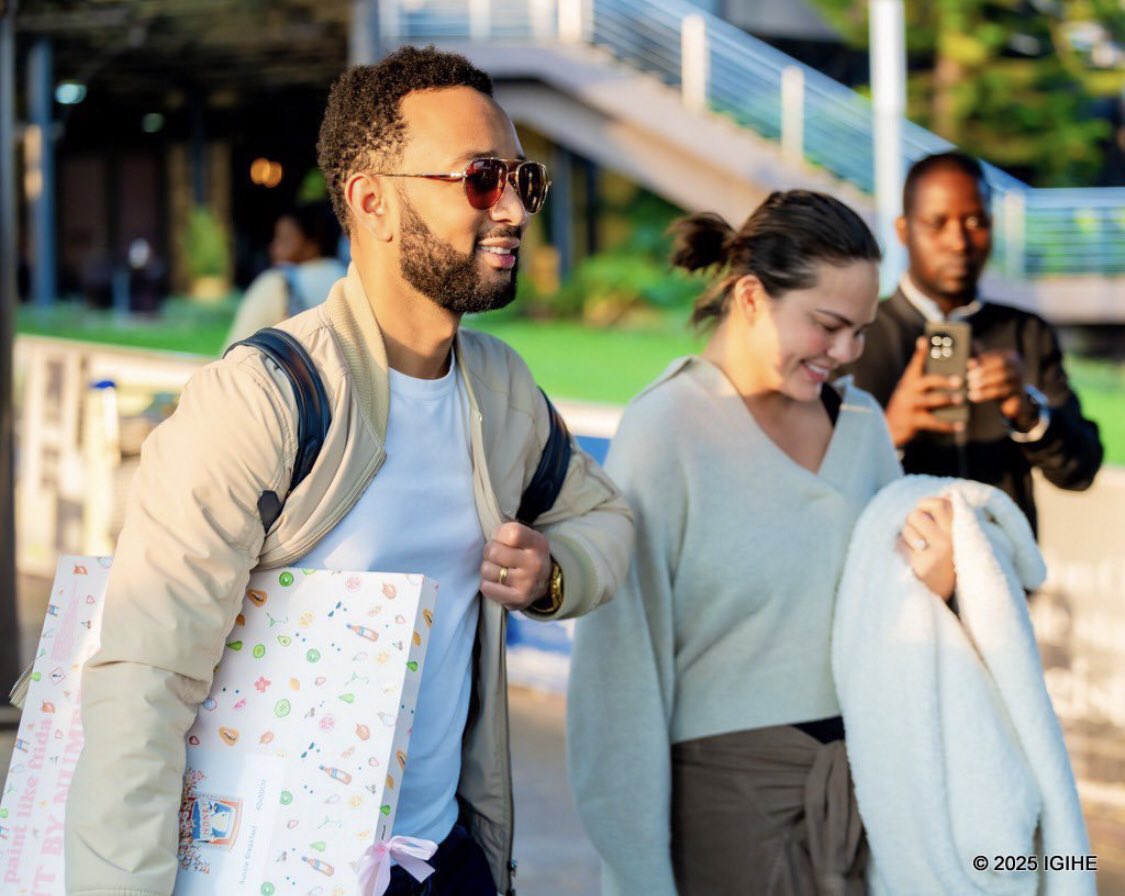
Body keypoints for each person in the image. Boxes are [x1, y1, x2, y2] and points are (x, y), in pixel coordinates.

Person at [66, 46, 634, 896]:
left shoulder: (501, 390)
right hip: (277, 869)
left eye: (524, 178)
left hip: (440, 859)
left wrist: (555, 572)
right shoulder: (262, 398)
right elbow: (144, 681)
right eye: (481, 178)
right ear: (372, 201)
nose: (514, 207)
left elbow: (606, 520)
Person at [568, 191, 958, 896]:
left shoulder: (864, 423)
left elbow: (888, 614)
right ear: (750, 296)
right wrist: (635, 874)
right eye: (828, 325)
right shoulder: (665, 430)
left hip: (869, 801)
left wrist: (936, 583)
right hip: (723, 814)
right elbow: (617, 676)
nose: (846, 354)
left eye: (861, 331)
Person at [841, 151, 1102, 535]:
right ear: (903, 230)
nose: (959, 242)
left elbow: (1080, 471)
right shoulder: (857, 334)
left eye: (975, 221)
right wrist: (889, 432)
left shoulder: (1024, 332)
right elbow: (819, 484)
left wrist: (1026, 410)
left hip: (1003, 576)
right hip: (891, 580)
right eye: (937, 223)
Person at [225, 200, 347, 345]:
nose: (273, 248)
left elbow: (235, 351)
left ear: (312, 242)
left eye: (283, 239)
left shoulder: (277, 283)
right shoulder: (350, 281)